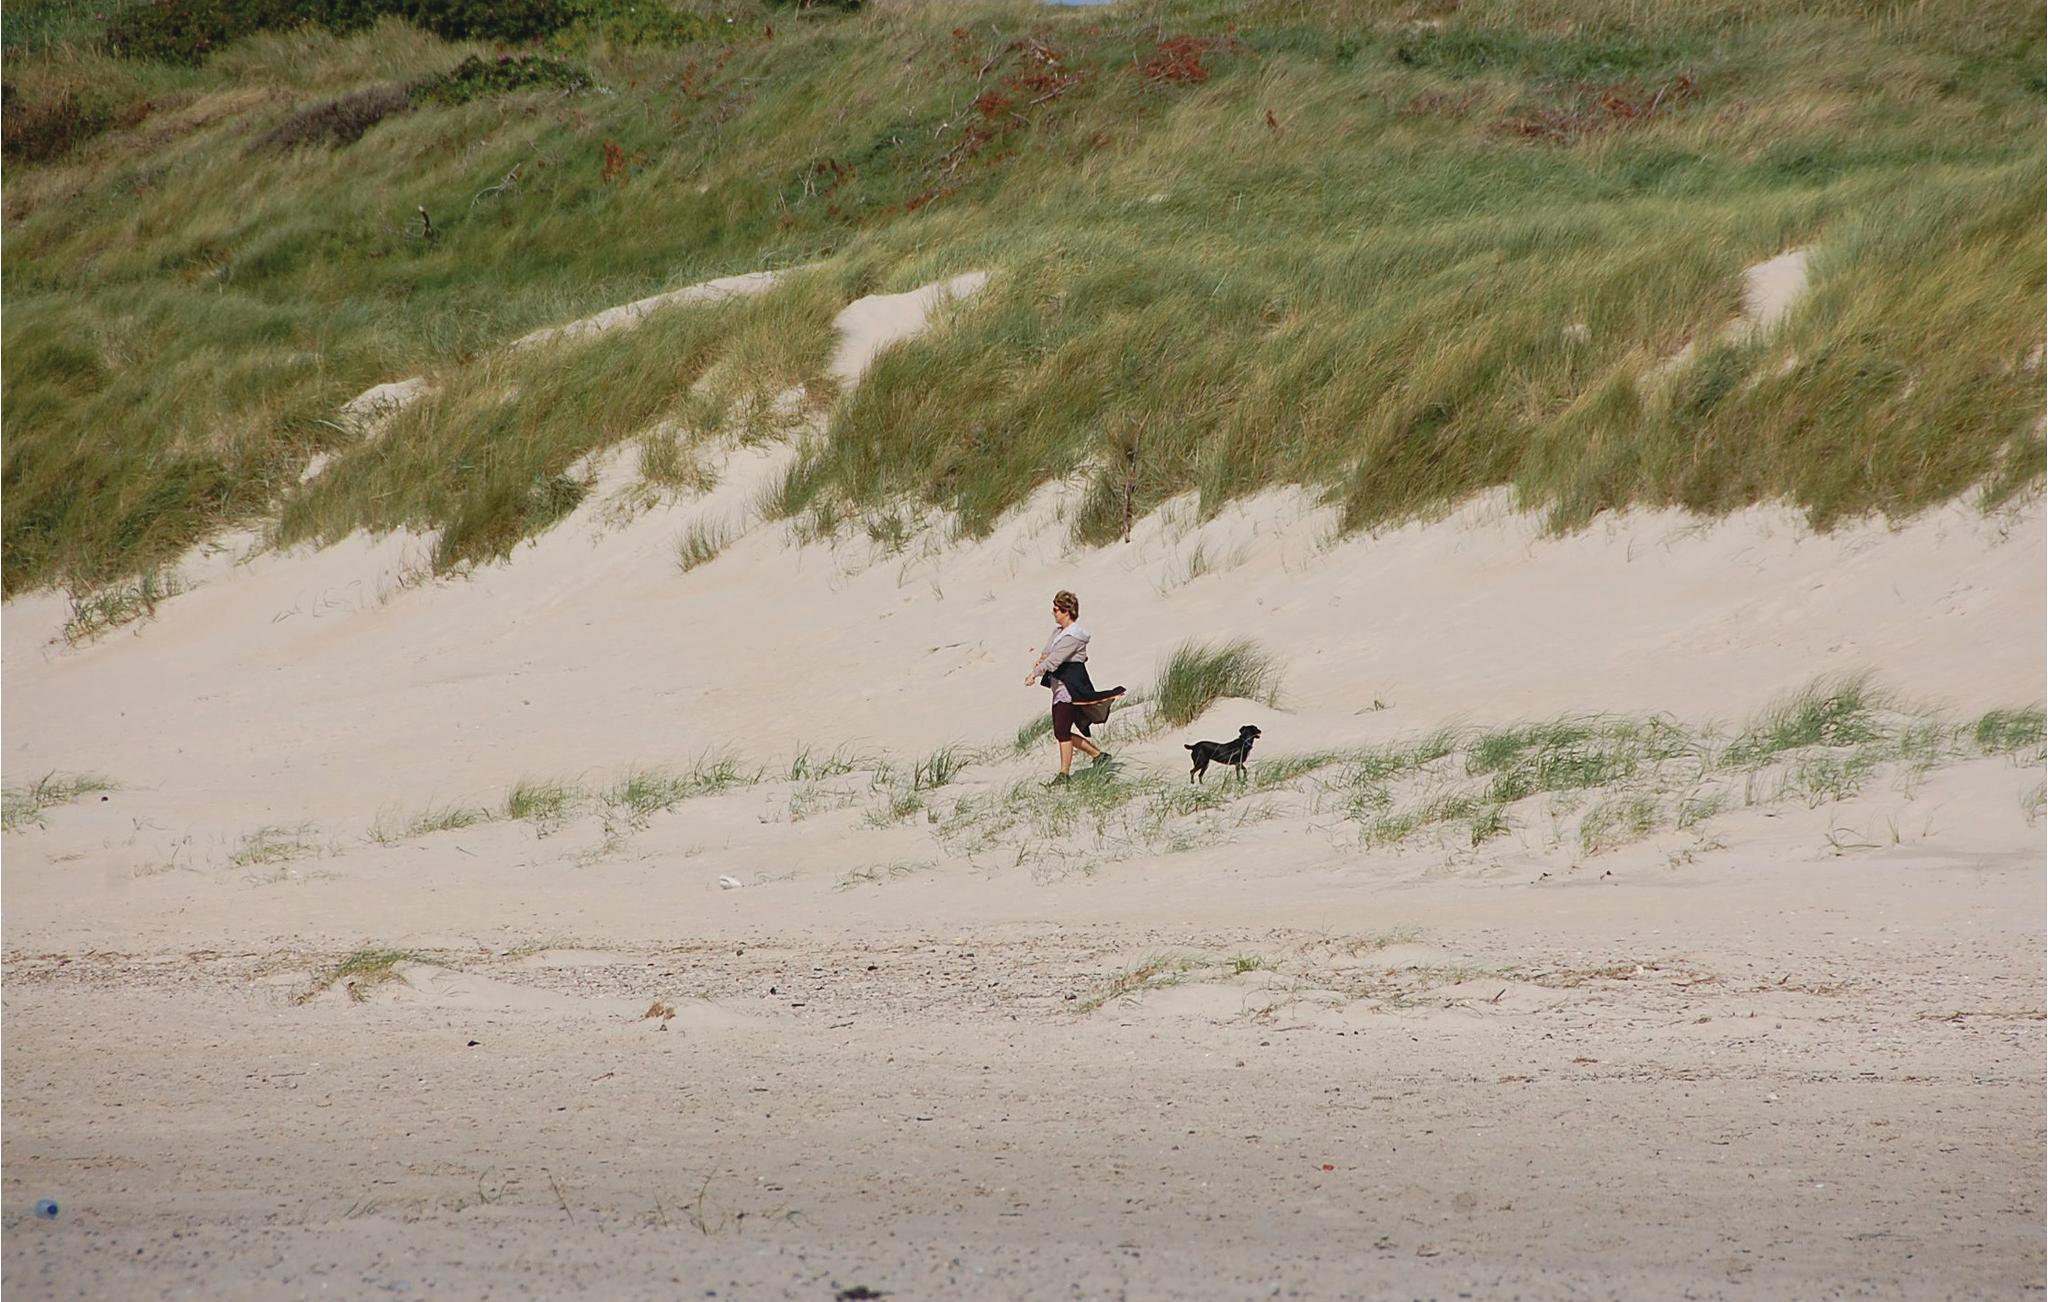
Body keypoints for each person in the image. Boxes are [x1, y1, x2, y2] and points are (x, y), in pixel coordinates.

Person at [1025, 590, 1125, 785]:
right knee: (1061, 731)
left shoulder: (1074, 636)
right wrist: (1041, 659)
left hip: (1070, 688)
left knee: (1062, 731)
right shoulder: (1058, 633)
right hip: (1059, 687)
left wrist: (1034, 673)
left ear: (1066, 611)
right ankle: (1098, 756)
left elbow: (1055, 660)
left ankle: (1064, 774)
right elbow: (1047, 653)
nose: (1053, 612)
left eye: (1056, 609)